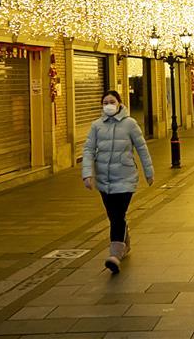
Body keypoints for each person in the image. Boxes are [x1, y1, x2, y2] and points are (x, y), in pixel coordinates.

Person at [82, 89, 154, 274]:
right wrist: (87, 174)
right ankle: (125, 243)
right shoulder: (96, 126)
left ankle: (115, 255)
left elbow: (142, 148)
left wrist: (149, 172)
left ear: (120, 103)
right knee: (114, 216)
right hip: (104, 180)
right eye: (105, 102)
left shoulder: (130, 124)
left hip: (125, 178)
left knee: (117, 214)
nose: (108, 105)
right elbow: (89, 150)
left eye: (112, 101)